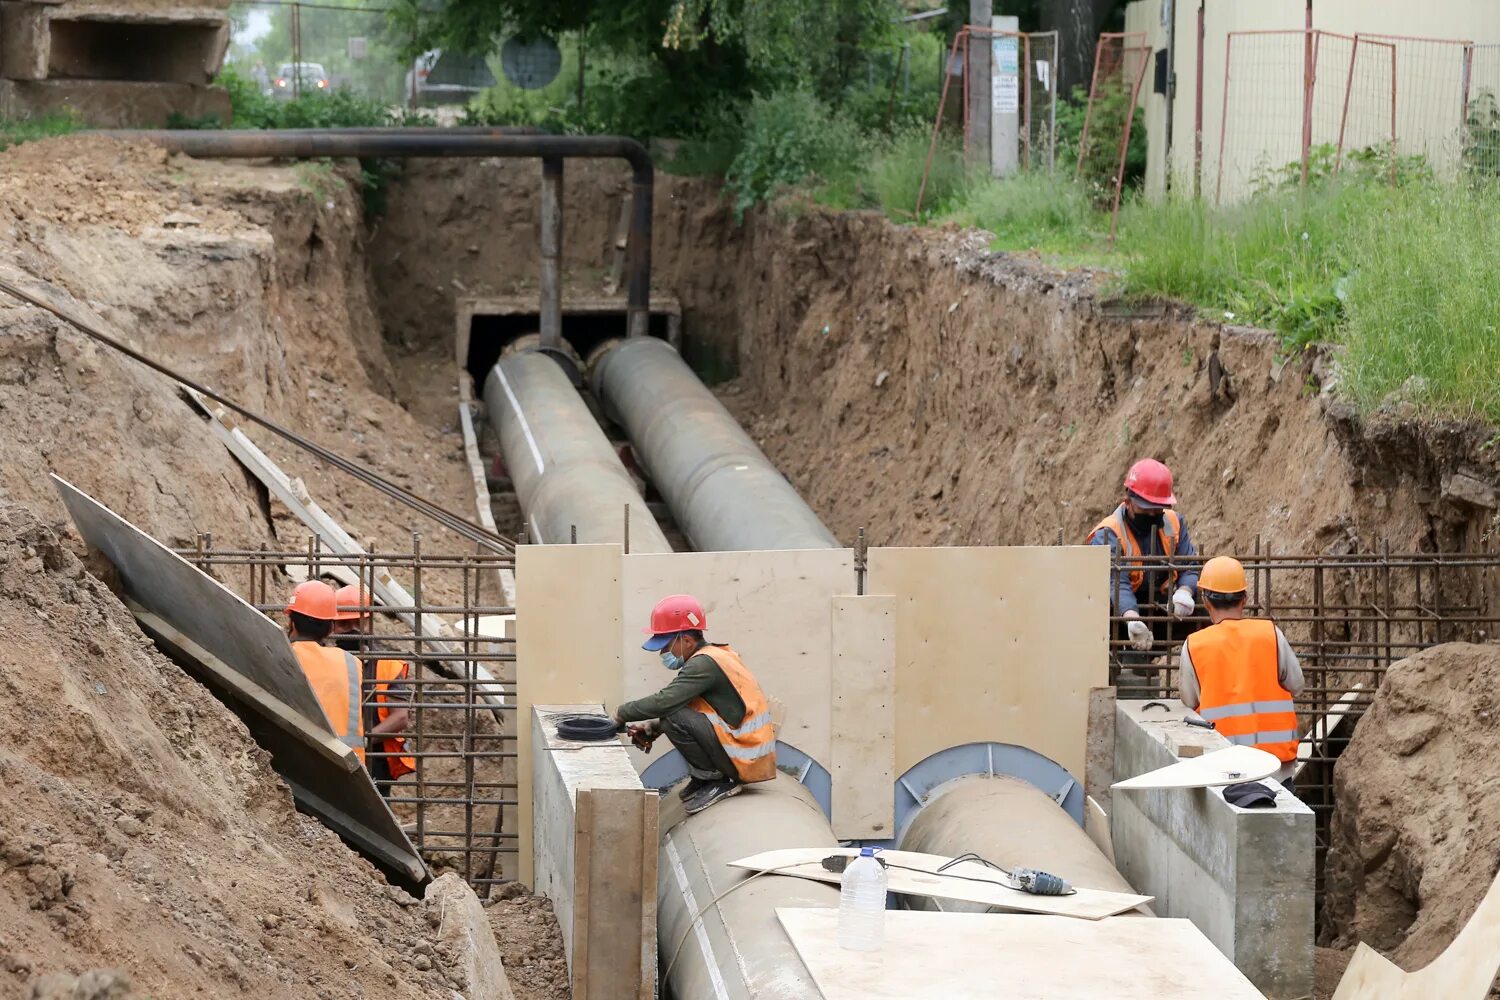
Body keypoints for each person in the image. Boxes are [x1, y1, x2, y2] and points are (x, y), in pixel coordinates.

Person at [610, 594, 776, 815]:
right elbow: (698, 709)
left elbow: (665, 701)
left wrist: (621, 714)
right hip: (745, 752)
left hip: (745, 758)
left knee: (671, 714)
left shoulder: (703, 664)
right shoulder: (713, 657)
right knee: (672, 714)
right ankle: (704, 778)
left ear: (687, 640)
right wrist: (653, 728)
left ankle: (716, 781)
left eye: (666, 646)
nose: (663, 653)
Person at [1179, 556, 1304, 792]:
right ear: (1244, 598)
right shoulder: (1270, 633)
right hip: (1277, 770)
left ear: (1205, 600)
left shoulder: (1195, 645)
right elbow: (1297, 685)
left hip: (1226, 770)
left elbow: (1189, 701)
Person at [1086, 458, 1202, 689]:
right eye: (1146, 509)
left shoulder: (1173, 522)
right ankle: (1117, 662)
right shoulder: (1108, 533)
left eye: (1157, 509)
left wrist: (1186, 592)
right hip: (1116, 618)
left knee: (1205, 605)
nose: (1152, 515)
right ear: (1128, 500)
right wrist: (1131, 618)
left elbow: (1189, 564)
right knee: (1108, 614)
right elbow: (1116, 583)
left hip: (1158, 609)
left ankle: (1145, 658)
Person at [332, 584, 414, 798]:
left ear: (368, 622)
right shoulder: (326, 661)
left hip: (374, 758)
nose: (351, 630)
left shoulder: (386, 664)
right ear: (332, 625)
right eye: (343, 624)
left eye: (356, 622)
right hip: (331, 755)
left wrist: (359, 742)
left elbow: (400, 717)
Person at [284, 581, 365, 761]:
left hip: (299, 762)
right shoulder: (352, 663)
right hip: (352, 765)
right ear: (330, 629)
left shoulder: (283, 656)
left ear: (292, 622)